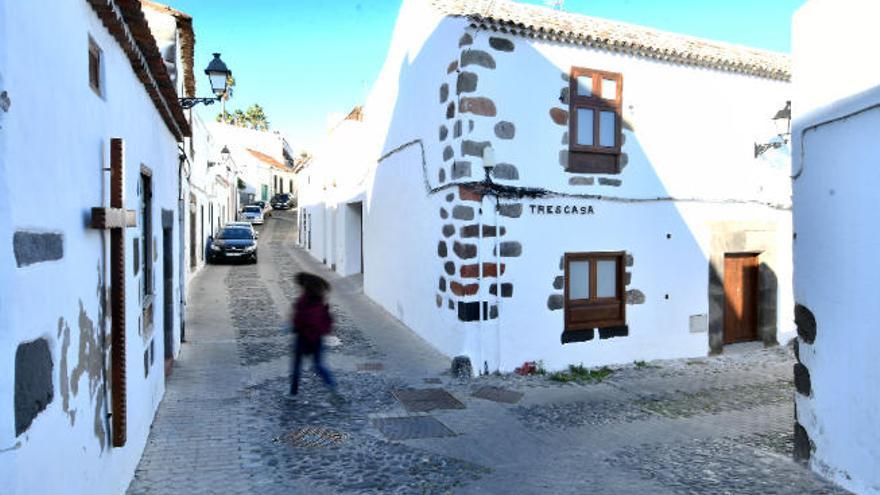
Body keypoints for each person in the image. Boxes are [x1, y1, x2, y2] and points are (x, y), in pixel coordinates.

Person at [290, 272, 340, 401]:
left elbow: (298, 320)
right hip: (317, 339)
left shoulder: (302, 302)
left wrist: (294, 327)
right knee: (318, 365)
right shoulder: (320, 302)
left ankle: (293, 392)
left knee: (296, 366)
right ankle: (332, 386)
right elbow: (327, 321)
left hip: (303, 339)